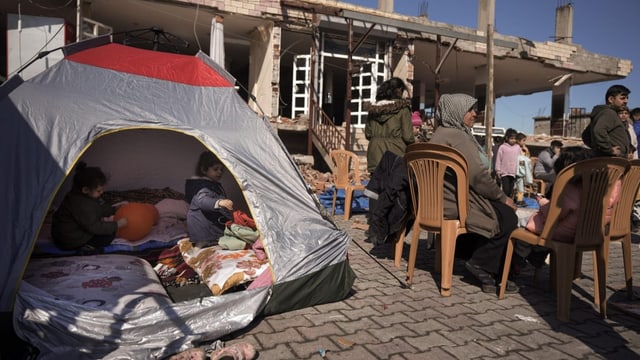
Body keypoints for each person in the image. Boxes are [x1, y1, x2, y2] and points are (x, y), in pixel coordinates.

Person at [429, 93, 519, 294]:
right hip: (455, 202)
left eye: (475, 109)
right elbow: (478, 177)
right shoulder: (458, 137)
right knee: (508, 217)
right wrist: (503, 197)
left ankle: (494, 270)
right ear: (456, 112)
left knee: (498, 213)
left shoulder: (439, 134)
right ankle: (482, 264)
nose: (475, 114)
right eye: (469, 110)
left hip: (439, 201)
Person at [51, 162, 128, 252]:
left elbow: (100, 207)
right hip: (69, 240)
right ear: (85, 190)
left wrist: (113, 210)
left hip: (73, 232)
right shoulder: (81, 205)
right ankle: (86, 247)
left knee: (106, 227)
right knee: (108, 236)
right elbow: (95, 227)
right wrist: (117, 225)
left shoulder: (88, 197)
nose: (102, 192)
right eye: (99, 191)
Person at [364, 77, 415, 173]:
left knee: (377, 186)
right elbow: (408, 137)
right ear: (399, 90)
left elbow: (368, 134)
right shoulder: (403, 109)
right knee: (396, 186)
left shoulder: (373, 110)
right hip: (396, 155)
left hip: (375, 155)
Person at [185, 151, 234, 248]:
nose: (219, 172)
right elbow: (202, 201)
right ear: (204, 169)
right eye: (216, 169)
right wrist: (219, 202)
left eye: (221, 169)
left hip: (211, 228)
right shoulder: (201, 186)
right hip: (204, 232)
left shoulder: (212, 184)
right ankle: (202, 246)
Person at [582, 84, 631, 158]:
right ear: (611, 99)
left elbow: (585, 135)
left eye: (627, 98)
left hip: (608, 158)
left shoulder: (602, 113)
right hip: (611, 160)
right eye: (622, 98)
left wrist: (597, 149)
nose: (626, 101)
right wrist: (609, 149)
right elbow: (598, 131)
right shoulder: (609, 113)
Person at [494, 128, 521, 199]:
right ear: (507, 138)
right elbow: (498, 159)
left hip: (514, 173)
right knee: (505, 190)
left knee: (511, 190)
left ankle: (509, 204)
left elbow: (520, 159)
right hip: (504, 172)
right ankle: (504, 203)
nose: (513, 140)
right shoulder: (502, 147)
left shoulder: (518, 147)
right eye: (511, 138)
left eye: (515, 139)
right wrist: (498, 171)